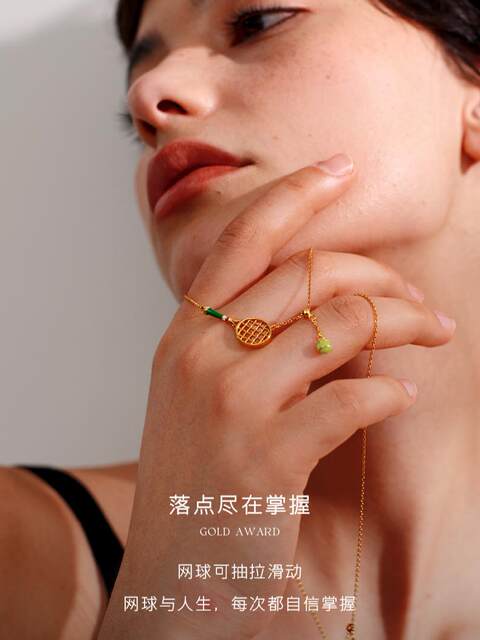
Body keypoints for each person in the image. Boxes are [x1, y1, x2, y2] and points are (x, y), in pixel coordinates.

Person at [2, 1, 480, 638]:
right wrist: (177, 604)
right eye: (130, 108)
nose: (148, 97)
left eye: (257, 20)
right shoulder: (21, 555)